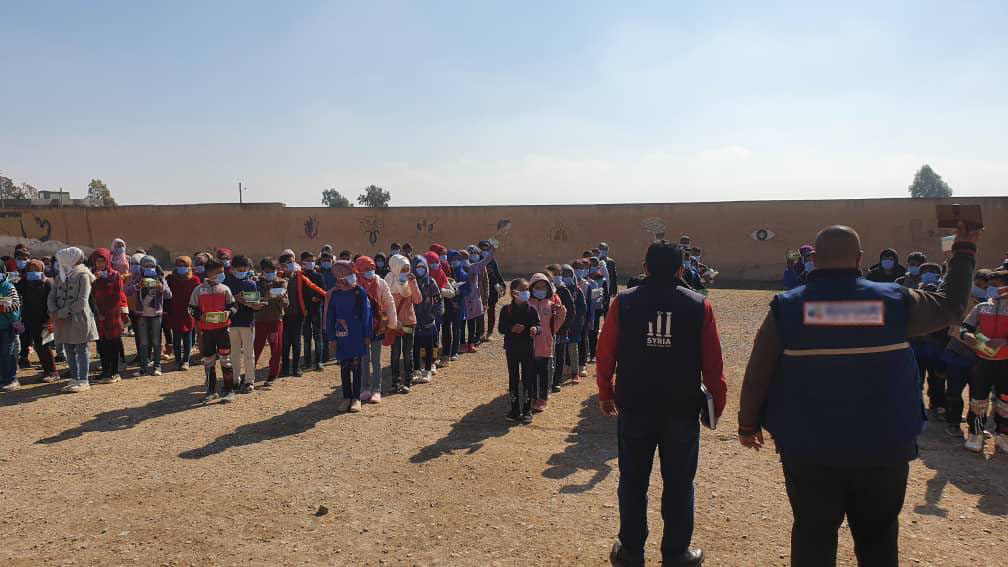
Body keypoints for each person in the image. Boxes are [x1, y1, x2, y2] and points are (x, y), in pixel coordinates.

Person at [737, 224, 977, 567]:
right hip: (884, 448)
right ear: (860, 258)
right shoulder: (894, 301)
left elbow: (758, 372)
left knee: (813, 535)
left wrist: (748, 424)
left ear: (815, 259)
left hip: (810, 450)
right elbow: (951, 306)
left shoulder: (788, 307)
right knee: (878, 536)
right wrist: (964, 250)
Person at [597, 239, 726, 567]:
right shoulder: (699, 305)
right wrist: (715, 406)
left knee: (632, 481)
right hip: (681, 408)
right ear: (682, 270)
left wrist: (605, 392)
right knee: (680, 483)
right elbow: (713, 364)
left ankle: (630, 551)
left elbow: (606, 351)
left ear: (645, 267)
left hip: (634, 405)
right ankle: (676, 553)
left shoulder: (624, 302)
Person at [960, 269, 1008, 453]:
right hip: (983, 361)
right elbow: (966, 326)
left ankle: (1003, 434)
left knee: (1005, 401)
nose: (991, 289)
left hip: (1005, 362)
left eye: (996, 286)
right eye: (990, 286)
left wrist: (1004, 341)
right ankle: (976, 433)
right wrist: (967, 335)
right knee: (978, 400)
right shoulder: (981, 307)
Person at [48, 247, 99, 393]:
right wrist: (53, 311)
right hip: (62, 319)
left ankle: (83, 380)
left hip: (78, 318)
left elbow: (82, 300)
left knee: (81, 348)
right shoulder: (60, 276)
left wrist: (61, 313)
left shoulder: (83, 275)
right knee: (68, 348)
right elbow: (51, 296)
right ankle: (75, 378)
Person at [324, 260, 373, 413]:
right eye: (348, 275)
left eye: (353, 274)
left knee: (357, 368)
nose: (352, 277)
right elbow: (330, 317)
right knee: (344, 368)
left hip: (357, 336)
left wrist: (367, 335)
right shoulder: (335, 294)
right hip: (342, 336)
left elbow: (367, 314)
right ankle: (347, 397)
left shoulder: (359, 292)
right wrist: (331, 337)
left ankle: (356, 398)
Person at [189, 259, 237, 402]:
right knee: (208, 361)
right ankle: (211, 390)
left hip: (223, 331)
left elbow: (234, 306)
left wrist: (229, 312)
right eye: (219, 272)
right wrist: (200, 316)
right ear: (209, 273)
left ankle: (229, 390)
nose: (222, 274)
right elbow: (191, 309)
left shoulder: (225, 289)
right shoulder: (198, 290)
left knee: (226, 360)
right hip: (207, 332)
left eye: (223, 272)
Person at [354, 255, 397, 403]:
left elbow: (389, 302)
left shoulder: (380, 282)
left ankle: (376, 390)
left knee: (376, 360)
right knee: (364, 360)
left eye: (372, 268)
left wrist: (392, 322)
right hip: (360, 329)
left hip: (377, 327)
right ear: (359, 269)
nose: (370, 271)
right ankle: (365, 388)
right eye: (366, 269)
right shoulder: (354, 284)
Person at [498, 278, 541, 424]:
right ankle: (514, 409)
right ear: (513, 292)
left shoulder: (532, 309)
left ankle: (527, 409)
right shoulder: (506, 310)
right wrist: (512, 328)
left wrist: (535, 329)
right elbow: (501, 328)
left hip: (528, 349)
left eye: (527, 289)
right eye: (522, 290)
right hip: (512, 349)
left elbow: (538, 325)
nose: (526, 292)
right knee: (513, 379)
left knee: (528, 379)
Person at [278, 251, 325, 377]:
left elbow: (312, 286)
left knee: (297, 342)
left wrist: (326, 295)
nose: (291, 264)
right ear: (282, 265)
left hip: (297, 314)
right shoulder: (278, 277)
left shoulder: (300, 277)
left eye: (292, 262)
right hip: (283, 315)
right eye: (288, 262)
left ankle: (296, 368)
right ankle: (285, 368)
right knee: (285, 343)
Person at [125, 255, 172, 376]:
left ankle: (157, 366)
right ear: (142, 267)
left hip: (156, 314)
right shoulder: (138, 278)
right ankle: (143, 367)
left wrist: (161, 288)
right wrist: (137, 286)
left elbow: (169, 295)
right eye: (146, 266)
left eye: (151, 266)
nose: (149, 268)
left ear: (155, 266)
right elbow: (127, 291)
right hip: (142, 315)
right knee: (143, 342)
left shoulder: (160, 278)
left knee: (156, 341)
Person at [13, 259, 57, 384]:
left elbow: (52, 301)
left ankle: (53, 372)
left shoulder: (47, 283)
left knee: (44, 346)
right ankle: (46, 370)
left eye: (35, 270)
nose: (32, 272)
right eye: (30, 270)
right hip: (29, 318)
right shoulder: (25, 282)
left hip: (43, 319)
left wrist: (50, 319)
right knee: (37, 346)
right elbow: (16, 290)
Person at [90, 249, 129, 384]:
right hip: (98, 315)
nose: (100, 264)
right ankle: (105, 371)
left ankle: (114, 372)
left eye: (102, 261)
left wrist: (122, 313)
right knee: (101, 345)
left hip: (112, 315)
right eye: (97, 261)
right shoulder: (91, 275)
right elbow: (89, 294)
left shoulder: (115, 275)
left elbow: (119, 294)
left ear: (107, 261)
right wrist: (94, 279)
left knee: (113, 344)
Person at [528, 272, 566, 411]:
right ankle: (533, 396)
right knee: (531, 374)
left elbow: (558, 320)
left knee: (544, 374)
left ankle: (542, 398)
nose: (540, 290)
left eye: (543, 287)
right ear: (531, 288)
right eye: (537, 287)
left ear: (548, 288)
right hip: (529, 345)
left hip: (545, 345)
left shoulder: (550, 303)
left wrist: (560, 310)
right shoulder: (528, 303)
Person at [385, 253, 421, 393]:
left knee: (407, 352)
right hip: (395, 325)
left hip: (408, 324)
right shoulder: (388, 281)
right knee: (395, 353)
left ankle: (408, 382)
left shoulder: (410, 282)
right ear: (395, 268)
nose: (405, 272)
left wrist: (413, 283)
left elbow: (417, 300)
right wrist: (393, 321)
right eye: (402, 269)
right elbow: (384, 305)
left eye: (407, 269)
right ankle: (395, 382)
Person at [225, 255, 260, 392]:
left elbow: (255, 304)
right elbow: (224, 302)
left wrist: (248, 302)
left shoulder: (251, 284)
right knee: (233, 354)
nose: (242, 272)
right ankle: (235, 379)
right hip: (232, 323)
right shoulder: (227, 283)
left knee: (249, 354)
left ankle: (249, 380)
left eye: (244, 270)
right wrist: (235, 298)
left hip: (247, 323)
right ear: (232, 269)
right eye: (239, 270)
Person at [253, 258, 288, 387]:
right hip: (260, 320)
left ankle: (273, 375)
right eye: (267, 271)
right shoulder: (256, 283)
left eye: (272, 271)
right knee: (256, 347)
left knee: (276, 348)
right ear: (262, 271)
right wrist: (265, 297)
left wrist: (281, 299)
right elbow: (253, 300)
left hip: (275, 320)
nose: (270, 274)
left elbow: (286, 304)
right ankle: (249, 374)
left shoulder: (281, 283)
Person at [411, 254, 443, 384]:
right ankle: (416, 370)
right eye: (418, 267)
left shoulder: (431, 282)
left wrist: (435, 313)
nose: (421, 270)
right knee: (415, 347)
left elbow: (438, 300)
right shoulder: (411, 282)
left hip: (429, 320)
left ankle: (428, 370)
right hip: (414, 320)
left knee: (429, 346)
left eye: (423, 267)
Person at [165, 256, 200, 371]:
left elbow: (198, 295)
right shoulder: (170, 278)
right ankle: (177, 360)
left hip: (188, 311)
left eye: (184, 265)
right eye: (179, 265)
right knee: (176, 337)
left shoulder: (194, 280)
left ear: (189, 266)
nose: (182, 268)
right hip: (175, 311)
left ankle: (186, 360)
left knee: (187, 337)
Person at [556, 264, 586, 387]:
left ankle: (575, 373)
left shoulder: (577, 290)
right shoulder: (557, 290)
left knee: (573, 349)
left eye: (569, 274)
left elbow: (582, 308)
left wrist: (575, 319)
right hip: (560, 326)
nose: (567, 277)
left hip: (573, 325)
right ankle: (558, 374)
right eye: (564, 275)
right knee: (560, 350)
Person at [299, 252, 326, 372]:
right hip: (304, 310)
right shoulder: (299, 276)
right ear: (302, 262)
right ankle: (307, 361)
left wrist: (318, 298)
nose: (311, 263)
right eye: (308, 260)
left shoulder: (319, 276)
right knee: (306, 337)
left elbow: (324, 292)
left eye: (312, 260)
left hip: (316, 309)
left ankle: (319, 361)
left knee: (318, 336)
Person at [0, 270, 23, 392]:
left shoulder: (8, 287)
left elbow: (16, 304)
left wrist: (3, 308)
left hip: (6, 326)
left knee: (7, 353)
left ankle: (11, 380)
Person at [480, 240, 506, 341]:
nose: (485, 251)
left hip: (492, 289)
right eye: (483, 249)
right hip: (481, 289)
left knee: (491, 311)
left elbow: (497, 273)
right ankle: (480, 333)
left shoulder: (492, 260)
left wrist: (502, 285)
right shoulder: (477, 260)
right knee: (480, 312)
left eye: (487, 249)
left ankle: (489, 333)